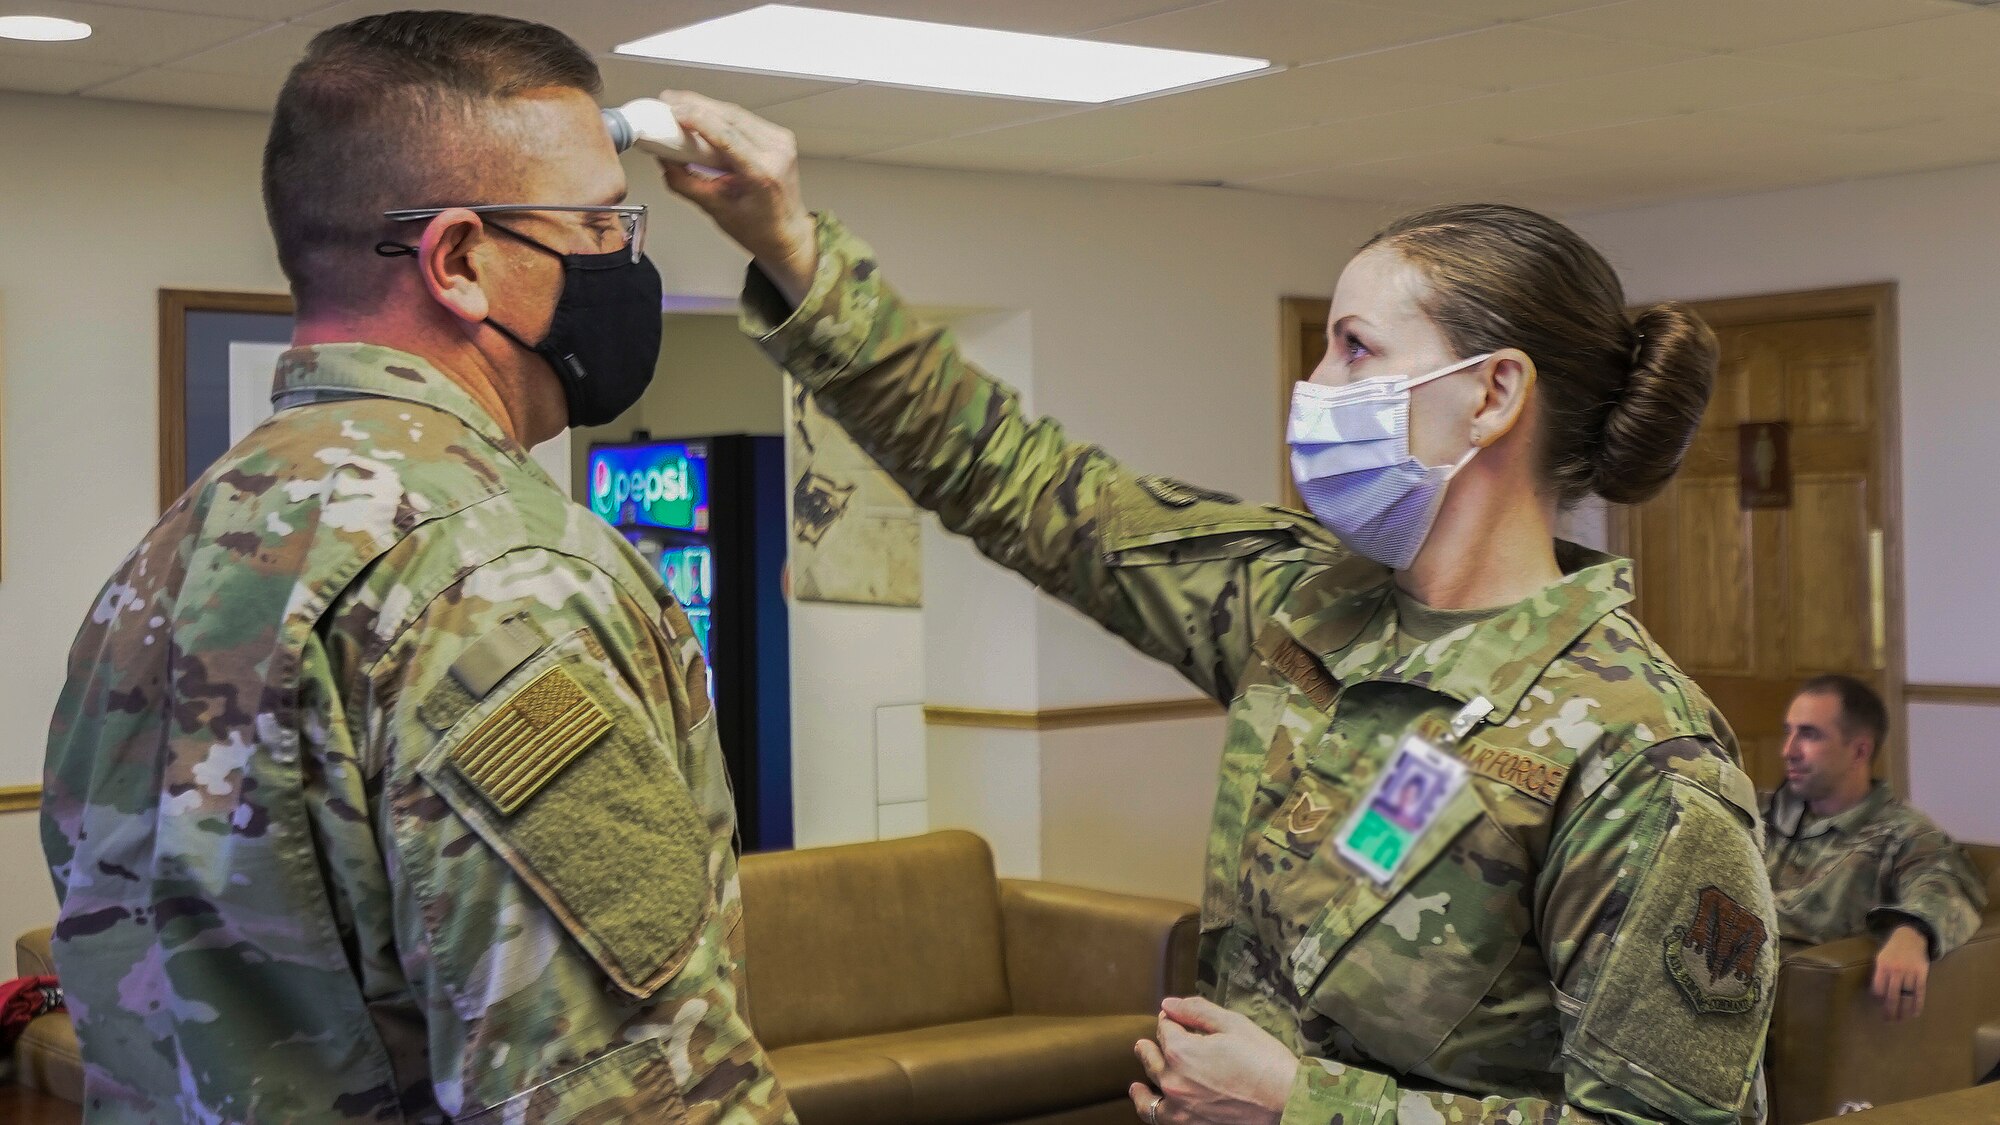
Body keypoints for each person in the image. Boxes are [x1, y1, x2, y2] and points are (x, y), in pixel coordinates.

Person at [655, 93, 1777, 1124]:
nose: (1317, 390)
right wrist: (794, 252)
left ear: (1491, 394)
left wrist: (1300, 1104)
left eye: (1354, 350)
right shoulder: (1299, 607)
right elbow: (1013, 479)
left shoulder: (1635, 752)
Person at [41, 14, 793, 1122]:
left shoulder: (173, 555)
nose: (621, 260)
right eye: (596, 224)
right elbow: (618, 1093)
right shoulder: (499, 570)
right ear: (458, 260)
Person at [1764, 675, 1987, 1021]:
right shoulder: (1760, 816)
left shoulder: (1901, 833)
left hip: (1788, 1001)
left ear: (1860, 750)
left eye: (1809, 735)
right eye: (1788, 731)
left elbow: (1944, 886)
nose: (1788, 750)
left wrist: (1913, 934)